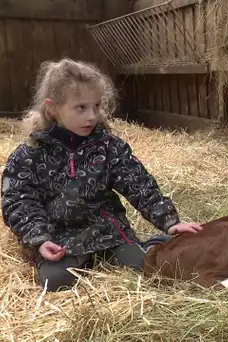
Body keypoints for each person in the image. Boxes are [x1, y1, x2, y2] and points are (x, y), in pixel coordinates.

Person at [1, 58, 202, 292]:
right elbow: (18, 201)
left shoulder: (108, 146)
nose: (92, 116)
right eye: (81, 108)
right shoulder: (30, 154)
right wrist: (41, 239)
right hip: (62, 239)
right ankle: (79, 260)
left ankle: (153, 244)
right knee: (53, 282)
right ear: (53, 108)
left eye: (96, 106)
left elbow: (139, 184)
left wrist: (169, 221)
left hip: (109, 232)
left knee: (146, 267)